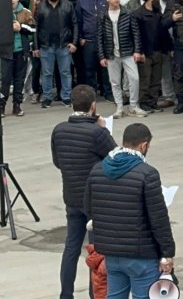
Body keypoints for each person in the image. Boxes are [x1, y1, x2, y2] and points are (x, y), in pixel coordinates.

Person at [83, 123, 176, 298]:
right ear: (144, 145)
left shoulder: (97, 170)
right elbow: (158, 219)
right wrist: (167, 253)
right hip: (142, 254)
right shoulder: (147, 174)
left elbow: (88, 207)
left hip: (111, 254)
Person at [52, 84, 117, 299]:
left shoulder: (59, 130)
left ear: (72, 105)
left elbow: (58, 162)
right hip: (95, 199)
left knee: (71, 247)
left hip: (71, 195)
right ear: (93, 106)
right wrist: (103, 128)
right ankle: (94, 293)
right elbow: (116, 159)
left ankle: (66, 294)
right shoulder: (97, 133)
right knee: (97, 250)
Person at [97, 0, 148, 118]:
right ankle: (119, 107)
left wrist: (137, 50)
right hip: (111, 53)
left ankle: (133, 106)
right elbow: (99, 37)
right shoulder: (103, 16)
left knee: (134, 78)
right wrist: (102, 55)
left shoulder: (127, 13)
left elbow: (135, 33)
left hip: (127, 51)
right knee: (114, 81)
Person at [36, 0, 78, 107]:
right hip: (45, 45)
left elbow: (75, 24)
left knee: (65, 72)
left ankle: (66, 97)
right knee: (47, 73)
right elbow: (36, 28)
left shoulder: (68, 5)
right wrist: (36, 47)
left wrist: (74, 42)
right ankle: (47, 97)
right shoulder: (40, 7)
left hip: (64, 45)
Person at [2, 0, 34, 116]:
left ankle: (17, 105)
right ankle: (1, 106)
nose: (11, 0)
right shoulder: (1, 11)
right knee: (5, 80)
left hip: (21, 51)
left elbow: (33, 29)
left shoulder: (25, 12)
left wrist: (20, 27)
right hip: (5, 51)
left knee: (19, 80)